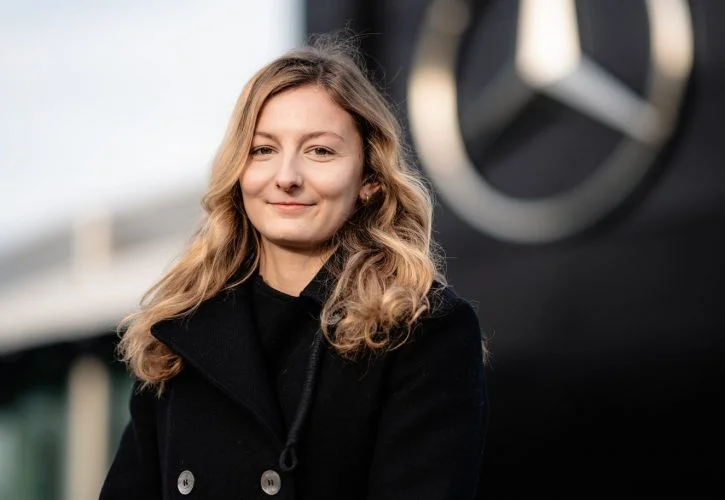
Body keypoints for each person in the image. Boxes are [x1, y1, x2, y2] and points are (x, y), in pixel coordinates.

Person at [100, 36, 488, 500]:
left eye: (319, 151)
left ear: (369, 178)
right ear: (237, 170)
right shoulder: (179, 332)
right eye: (262, 150)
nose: (286, 177)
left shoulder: (421, 331)